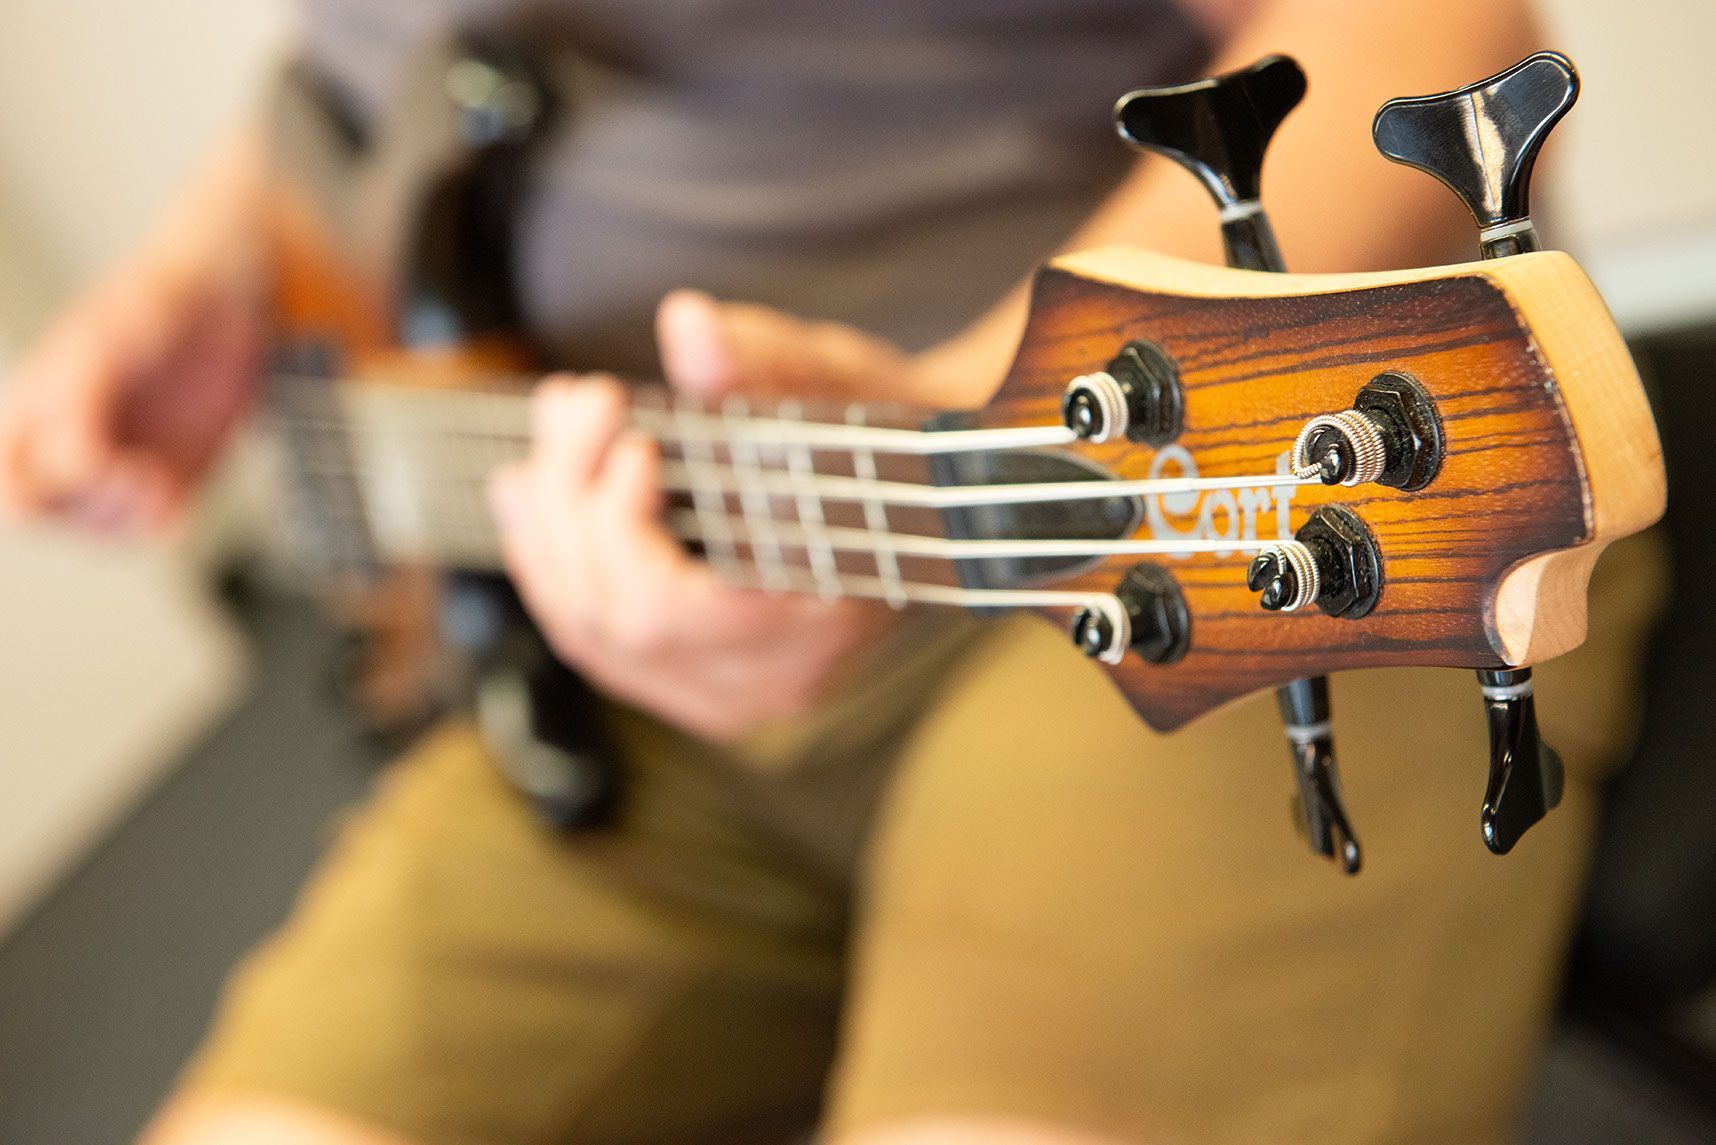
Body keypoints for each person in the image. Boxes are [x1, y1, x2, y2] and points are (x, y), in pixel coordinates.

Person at [0, 1, 1666, 1142]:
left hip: (1208, 539)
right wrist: (209, 273)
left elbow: (1430, 23)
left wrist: (973, 425)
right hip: (610, 623)